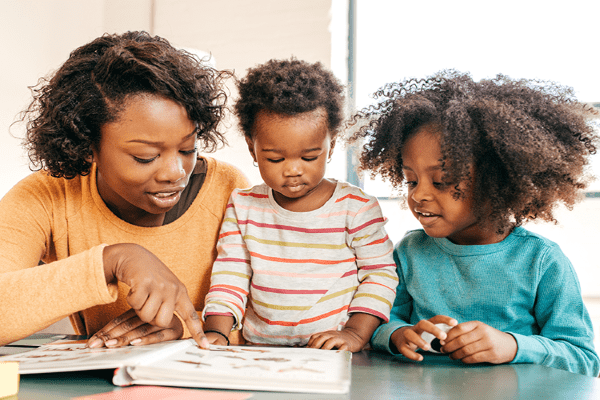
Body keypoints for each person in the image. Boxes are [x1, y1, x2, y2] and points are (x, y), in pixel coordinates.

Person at [0, 31, 249, 349]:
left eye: (188, 149)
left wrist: (185, 327)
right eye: (146, 156)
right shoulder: (47, 196)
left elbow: (276, 320)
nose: (175, 173)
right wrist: (112, 260)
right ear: (88, 146)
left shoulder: (229, 191)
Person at [346, 70, 600, 376]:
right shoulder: (410, 251)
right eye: (411, 180)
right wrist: (398, 335)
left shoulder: (542, 261)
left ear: (498, 181)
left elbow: (583, 359)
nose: (419, 195)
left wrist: (513, 346)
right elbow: (381, 322)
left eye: (441, 181)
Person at [201, 58, 398, 351]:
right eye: (275, 158)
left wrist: (355, 334)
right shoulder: (243, 206)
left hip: (338, 351)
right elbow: (231, 273)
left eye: (309, 157)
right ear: (251, 146)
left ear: (331, 144)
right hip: (261, 351)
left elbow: (380, 274)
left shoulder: (355, 207)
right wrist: (216, 332)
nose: (293, 170)